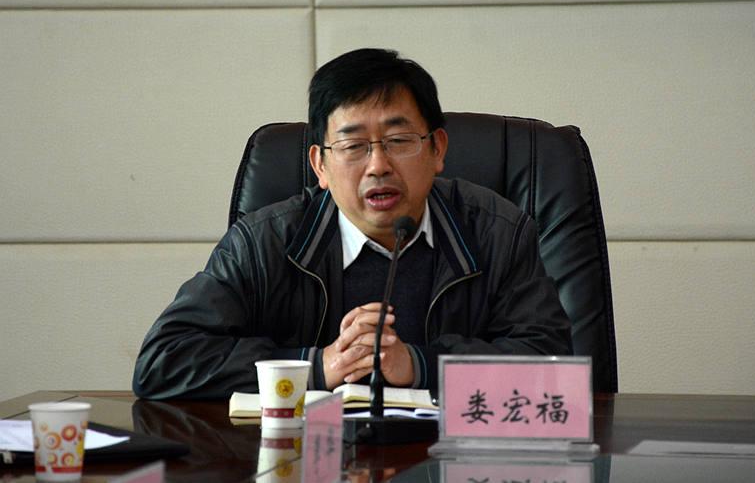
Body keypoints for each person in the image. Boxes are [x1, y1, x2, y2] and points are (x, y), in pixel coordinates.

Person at [132, 48, 572, 399]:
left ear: (437, 149)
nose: (378, 165)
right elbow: (163, 361)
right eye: (353, 145)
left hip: (446, 462)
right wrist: (316, 367)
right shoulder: (263, 241)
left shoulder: (498, 232)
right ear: (320, 166)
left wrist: (419, 366)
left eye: (398, 140)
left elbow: (552, 366)